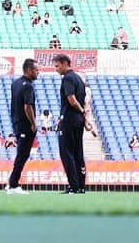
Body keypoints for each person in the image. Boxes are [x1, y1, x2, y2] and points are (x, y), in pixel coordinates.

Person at [54, 53, 91, 194]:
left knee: (66, 153)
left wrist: (81, 111)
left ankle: (73, 186)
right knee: (77, 153)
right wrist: (83, 115)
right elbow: (84, 100)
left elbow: (71, 99)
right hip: (78, 121)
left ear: (64, 63)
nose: (56, 69)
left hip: (69, 119)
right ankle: (81, 186)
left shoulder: (67, 78)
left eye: (57, 66)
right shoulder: (79, 79)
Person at [6, 58, 39, 194]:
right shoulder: (28, 86)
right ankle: (13, 185)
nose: (38, 72)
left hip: (17, 123)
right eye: (36, 70)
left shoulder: (16, 83)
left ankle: (12, 182)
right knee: (22, 155)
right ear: (29, 70)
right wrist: (33, 123)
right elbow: (27, 107)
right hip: (25, 125)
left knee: (22, 155)